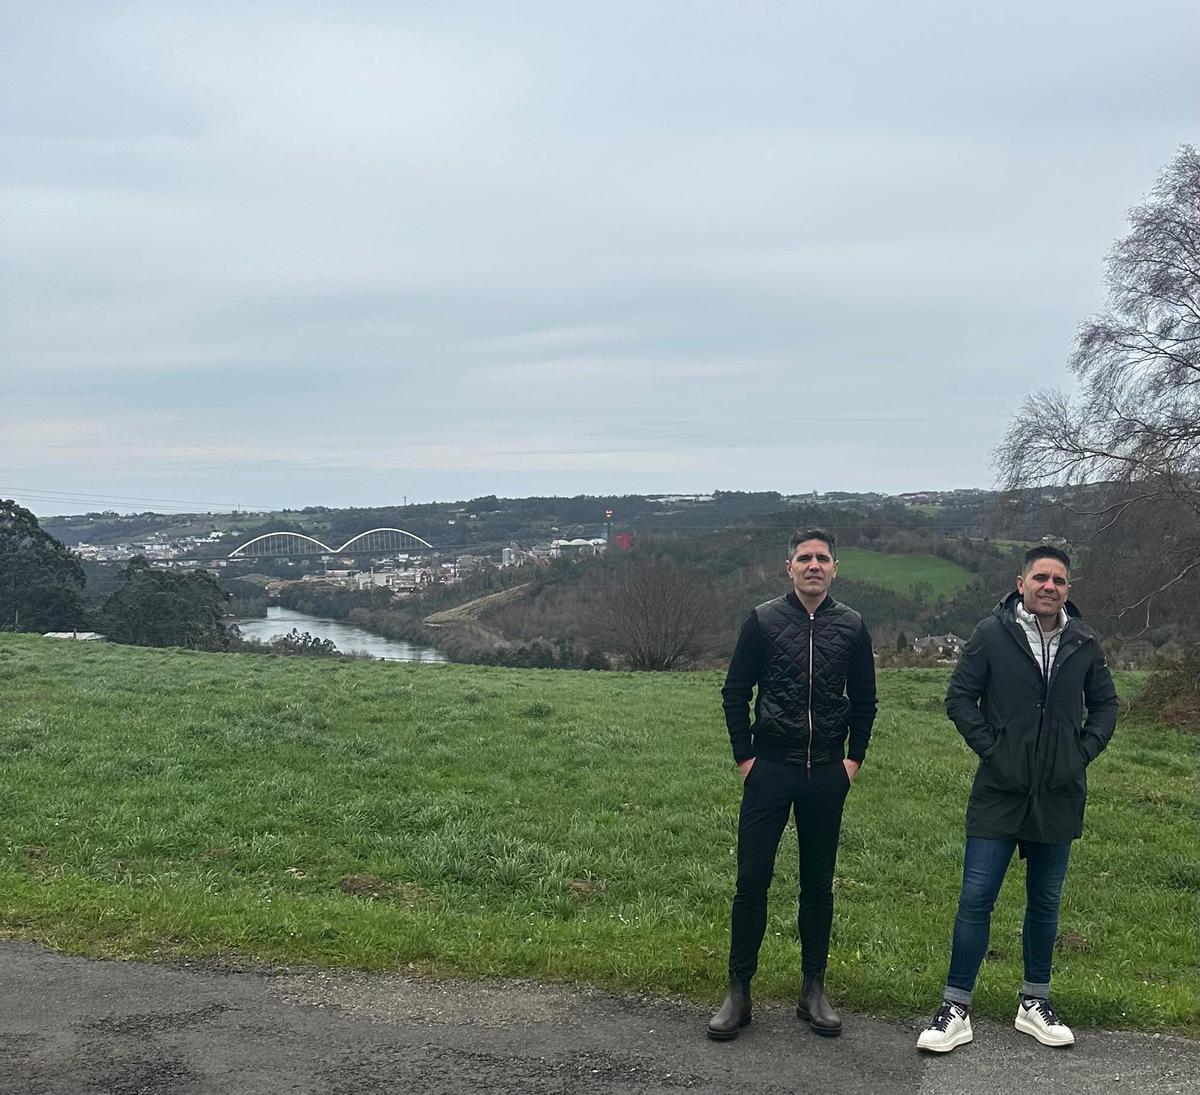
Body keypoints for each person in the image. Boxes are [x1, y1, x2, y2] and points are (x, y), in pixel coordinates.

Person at [916, 545, 1118, 1053]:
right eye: (1041, 577)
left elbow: (1105, 705)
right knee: (976, 898)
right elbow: (959, 697)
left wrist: (1079, 754)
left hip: (1058, 791)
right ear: (1020, 583)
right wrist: (994, 751)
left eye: (1059, 580)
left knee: (1045, 902)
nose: (1049, 586)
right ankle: (955, 1008)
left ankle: (1034, 1001)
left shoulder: (1084, 641)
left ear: (1067, 589)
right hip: (999, 790)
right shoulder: (992, 634)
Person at [708, 529, 877, 1040]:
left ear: (835, 568)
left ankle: (813, 989)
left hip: (825, 772)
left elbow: (865, 699)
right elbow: (736, 691)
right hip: (770, 770)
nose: (813, 565)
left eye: (822, 558)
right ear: (789, 568)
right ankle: (739, 991)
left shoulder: (852, 625)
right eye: (804, 558)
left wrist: (853, 760)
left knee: (817, 885)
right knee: (752, 881)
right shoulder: (762, 620)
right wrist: (745, 758)